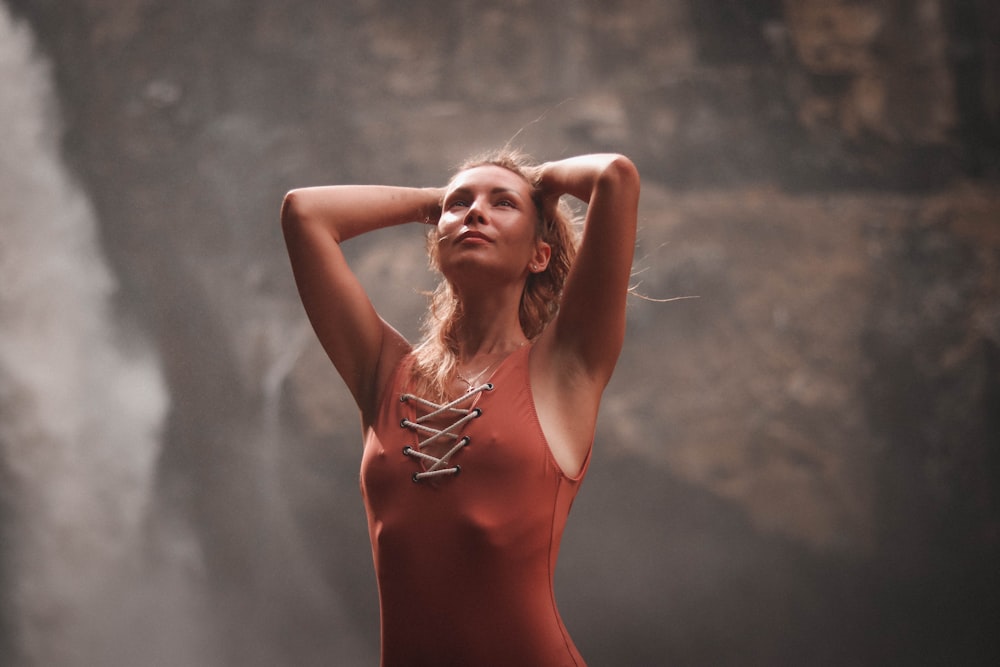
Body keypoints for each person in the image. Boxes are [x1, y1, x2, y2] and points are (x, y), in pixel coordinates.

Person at [281, 148, 639, 666]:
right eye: (461, 204)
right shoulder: (383, 372)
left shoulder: (566, 367)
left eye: (502, 205)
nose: (475, 212)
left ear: (539, 255)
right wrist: (436, 203)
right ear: (436, 247)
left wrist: (537, 183)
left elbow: (615, 176)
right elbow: (304, 213)